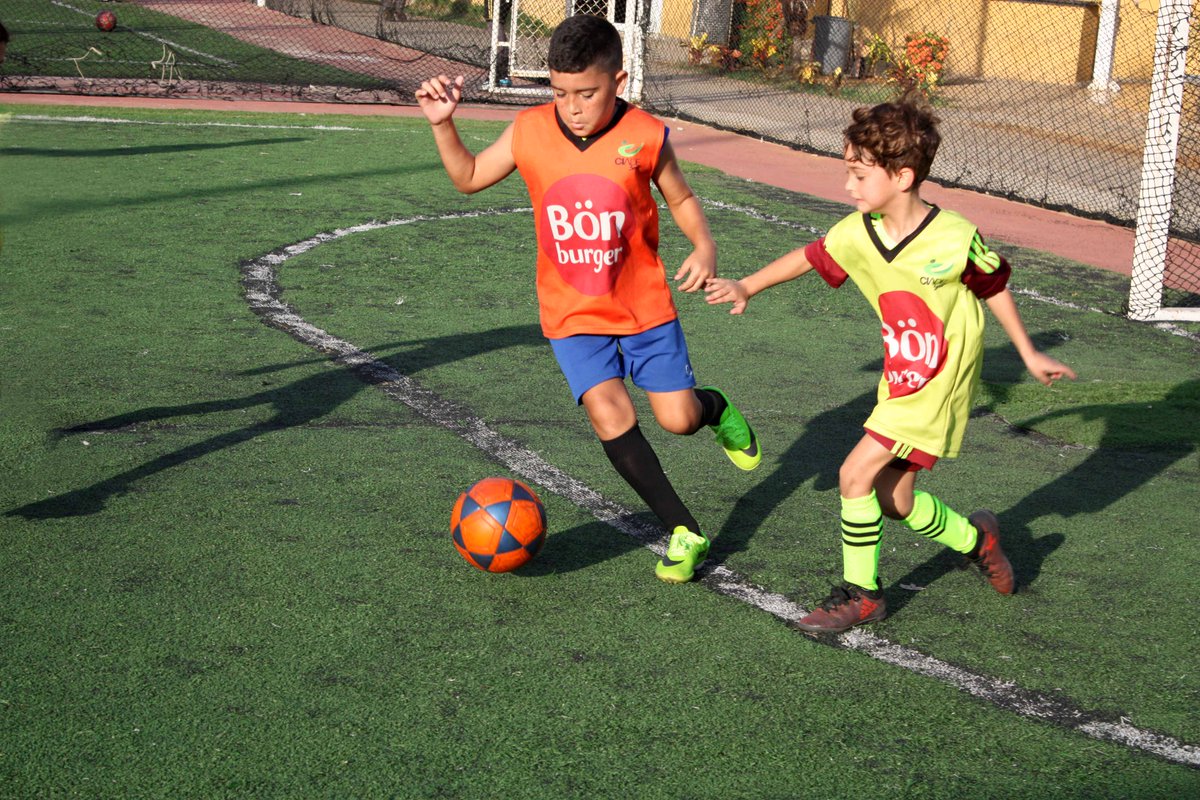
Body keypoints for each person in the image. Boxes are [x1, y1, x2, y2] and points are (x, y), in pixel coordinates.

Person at [415, 14, 762, 583]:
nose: (572, 107)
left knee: (677, 420)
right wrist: (443, 125)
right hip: (571, 312)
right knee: (608, 412)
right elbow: (469, 176)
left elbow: (680, 197)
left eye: (587, 93)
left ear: (618, 81)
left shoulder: (645, 135)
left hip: (642, 307)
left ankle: (714, 408)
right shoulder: (529, 130)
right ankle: (684, 531)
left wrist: (705, 246)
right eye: (560, 92)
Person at [705, 99, 1076, 632]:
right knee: (894, 498)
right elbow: (812, 256)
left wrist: (1027, 351)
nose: (849, 186)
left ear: (902, 177)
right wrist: (747, 286)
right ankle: (977, 540)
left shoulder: (955, 236)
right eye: (847, 172)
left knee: (853, 474)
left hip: (941, 381)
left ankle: (863, 595)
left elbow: (993, 286)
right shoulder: (859, 232)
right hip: (901, 377)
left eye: (859, 175)